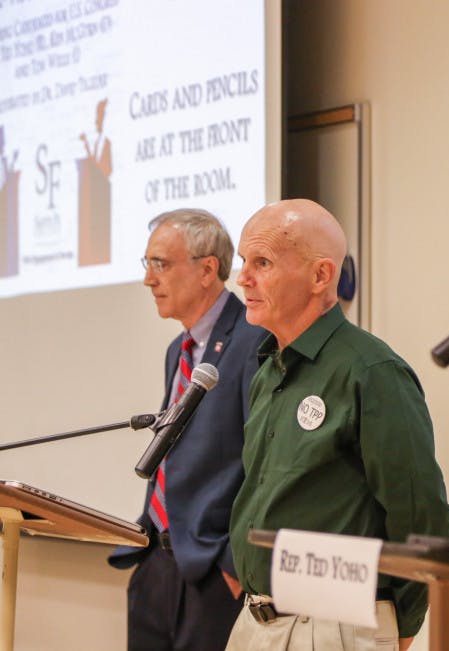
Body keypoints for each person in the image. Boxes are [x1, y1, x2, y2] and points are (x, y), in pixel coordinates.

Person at [226, 199, 449, 651]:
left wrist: (401, 625)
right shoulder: (269, 370)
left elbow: (419, 514)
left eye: (262, 263)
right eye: (243, 263)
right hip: (256, 621)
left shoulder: (371, 371)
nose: (243, 279)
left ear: (320, 276)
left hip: (334, 628)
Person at [109, 209, 266, 650]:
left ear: (207, 269)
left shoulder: (254, 340)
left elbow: (262, 459)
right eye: (147, 264)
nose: (149, 280)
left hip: (214, 574)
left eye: (161, 263)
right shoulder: (177, 349)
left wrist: (235, 565)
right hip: (156, 562)